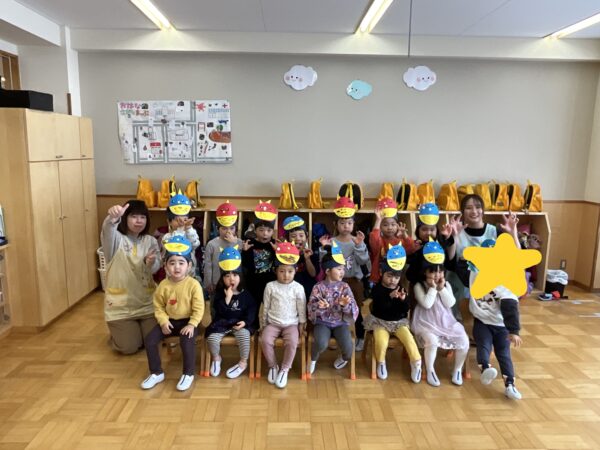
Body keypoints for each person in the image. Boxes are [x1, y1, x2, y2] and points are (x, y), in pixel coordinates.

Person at [140, 236, 205, 391]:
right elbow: (158, 306)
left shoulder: (194, 285)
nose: (177, 267)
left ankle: (188, 374)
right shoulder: (163, 285)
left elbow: (199, 308)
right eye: (172, 263)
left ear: (189, 266)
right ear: (165, 266)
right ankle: (156, 372)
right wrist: (163, 321)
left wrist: (192, 324)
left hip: (189, 322)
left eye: (181, 263)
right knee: (150, 340)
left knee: (186, 340)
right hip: (169, 322)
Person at [101, 200, 160, 354]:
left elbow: (155, 269)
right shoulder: (116, 239)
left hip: (147, 304)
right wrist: (112, 218)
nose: (139, 221)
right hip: (121, 307)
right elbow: (108, 229)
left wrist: (151, 263)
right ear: (124, 218)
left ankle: (132, 332)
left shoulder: (151, 241)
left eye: (142, 217)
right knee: (129, 347)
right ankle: (118, 335)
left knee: (153, 342)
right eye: (134, 216)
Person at [468, 239, 523, 400]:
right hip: (482, 321)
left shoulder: (505, 283)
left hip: (501, 326)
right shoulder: (475, 273)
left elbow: (510, 308)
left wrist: (514, 331)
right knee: (483, 344)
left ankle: (510, 384)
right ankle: (485, 369)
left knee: (504, 353)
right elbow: (464, 272)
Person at [412, 240, 470, 387]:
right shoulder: (419, 286)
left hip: (446, 321)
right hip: (426, 322)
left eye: (440, 271)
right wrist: (432, 288)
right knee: (431, 341)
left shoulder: (446, 284)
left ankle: (457, 370)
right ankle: (430, 370)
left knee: (463, 339)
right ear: (425, 272)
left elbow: (450, 303)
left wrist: (442, 289)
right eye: (433, 271)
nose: (437, 275)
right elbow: (427, 304)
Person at [363, 244, 422, 381]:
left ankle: (416, 363)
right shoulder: (377, 289)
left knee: (409, 339)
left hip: (398, 322)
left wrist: (403, 300)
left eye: (396, 277)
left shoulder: (401, 289)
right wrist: (389, 297)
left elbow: (405, 310)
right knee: (381, 341)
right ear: (382, 273)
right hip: (380, 322)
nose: (393, 280)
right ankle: (381, 362)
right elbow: (379, 308)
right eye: (389, 276)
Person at [319, 196, 369, 351]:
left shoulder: (357, 241)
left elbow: (363, 261)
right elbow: (324, 263)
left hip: (354, 281)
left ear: (353, 224)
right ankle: (335, 336)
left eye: (349, 223)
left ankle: (360, 337)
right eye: (342, 223)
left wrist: (359, 246)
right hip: (335, 282)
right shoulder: (332, 241)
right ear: (336, 224)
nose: (346, 226)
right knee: (335, 308)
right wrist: (324, 248)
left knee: (356, 309)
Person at [259, 242, 307, 388]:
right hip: (273, 323)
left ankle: (285, 369)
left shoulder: (298, 288)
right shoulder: (270, 286)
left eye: (290, 271)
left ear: (295, 271)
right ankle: (273, 366)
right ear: (276, 271)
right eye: (282, 271)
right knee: (265, 340)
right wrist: (263, 324)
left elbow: (301, 308)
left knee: (292, 342)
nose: (286, 275)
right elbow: (266, 306)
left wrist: (301, 324)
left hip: (291, 324)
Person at [205, 246, 256, 379]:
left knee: (245, 336)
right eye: (227, 276)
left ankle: (243, 362)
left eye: (235, 275)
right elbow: (218, 311)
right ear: (222, 279)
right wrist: (227, 299)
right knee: (212, 338)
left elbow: (251, 310)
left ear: (240, 276)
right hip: (221, 323)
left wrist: (245, 322)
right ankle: (216, 358)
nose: (231, 279)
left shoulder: (246, 294)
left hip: (239, 323)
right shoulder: (219, 294)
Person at [308, 243, 359, 375]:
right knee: (321, 343)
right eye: (338, 269)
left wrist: (344, 305)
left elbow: (353, 307)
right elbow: (311, 307)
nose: (342, 272)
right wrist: (320, 307)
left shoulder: (345, 287)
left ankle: (344, 358)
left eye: (343, 269)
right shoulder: (318, 287)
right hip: (323, 322)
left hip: (340, 323)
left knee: (348, 347)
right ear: (327, 271)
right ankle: (313, 359)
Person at [242, 201, 278, 321]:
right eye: (261, 230)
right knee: (253, 307)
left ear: (272, 231)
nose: (265, 234)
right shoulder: (250, 243)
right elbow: (245, 265)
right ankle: (253, 326)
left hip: (270, 282)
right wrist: (245, 252)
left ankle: (271, 326)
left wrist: (277, 252)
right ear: (255, 230)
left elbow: (279, 265)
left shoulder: (274, 244)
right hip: (253, 282)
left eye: (268, 231)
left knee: (271, 307)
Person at [369, 197, 416, 284]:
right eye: (385, 225)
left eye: (393, 224)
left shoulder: (399, 241)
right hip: (379, 279)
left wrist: (405, 235)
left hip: (395, 280)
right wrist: (378, 220)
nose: (390, 228)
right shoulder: (380, 241)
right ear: (380, 227)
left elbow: (411, 248)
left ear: (397, 225)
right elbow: (374, 240)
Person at [156, 191, 201, 282]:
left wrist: (188, 228)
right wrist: (180, 230)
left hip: (190, 276)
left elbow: (195, 244)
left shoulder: (189, 233)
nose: (182, 223)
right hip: (172, 277)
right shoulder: (166, 237)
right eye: (177, 220)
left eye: (184, 219)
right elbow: (174, 246)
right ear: (169, 222)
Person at [204, 201, 243, 300]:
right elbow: (208, 265)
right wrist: (208, 282)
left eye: (232, 228)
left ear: (236, 229)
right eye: (224, 228)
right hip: (217, 282)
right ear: (218, 229)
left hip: (235, 283)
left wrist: (235, 243)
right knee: (216, 304)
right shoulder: (212, 244)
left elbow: (241, 261)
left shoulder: (239, 243)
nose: (228, 231)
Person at [282, 215, 319, 299]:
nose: (298, 239)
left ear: (307, 237)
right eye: (293, 236)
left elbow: (313, 274)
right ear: (287, 239)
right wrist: (293, 254)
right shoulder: (284, 255)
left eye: (301, 235)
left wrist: (307, 259)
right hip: (290, 293)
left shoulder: (311, 254)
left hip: (308, 291)